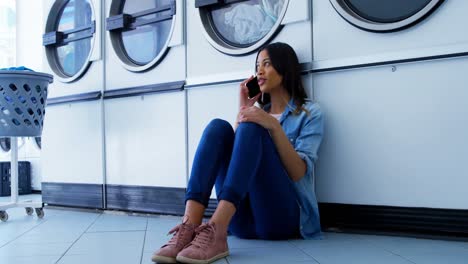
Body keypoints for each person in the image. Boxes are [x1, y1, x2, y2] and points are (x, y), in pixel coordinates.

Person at [151, 42, 324, 264]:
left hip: (281, 219)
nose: (259, 71)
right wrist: (243, 109)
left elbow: (300, 173)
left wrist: (273, 125)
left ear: (285, 68)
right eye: (257, 65)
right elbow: (238, 162)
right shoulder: (258, 113)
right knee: (217, 128)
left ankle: (217, 228)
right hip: (241, 222)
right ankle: (189, 226)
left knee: (252, 126)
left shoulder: (310, 113)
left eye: (267, 64)